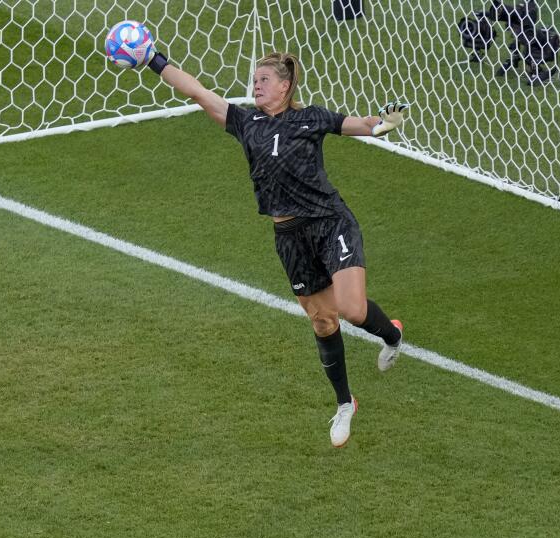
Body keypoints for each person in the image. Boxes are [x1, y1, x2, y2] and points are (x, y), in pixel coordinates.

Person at [142, 46, 409, 447]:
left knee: (351, 309)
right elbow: (198, 93)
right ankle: (344, 403)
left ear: (285, 86)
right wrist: (153, 60)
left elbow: (362, 125)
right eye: (254, 81)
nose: (256, 87)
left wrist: (383, 123)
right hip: (289, 238)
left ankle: (391, 336)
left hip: (329, 221)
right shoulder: (246, 122)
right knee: (323, 321)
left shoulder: (311, 118)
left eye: (263, 81)